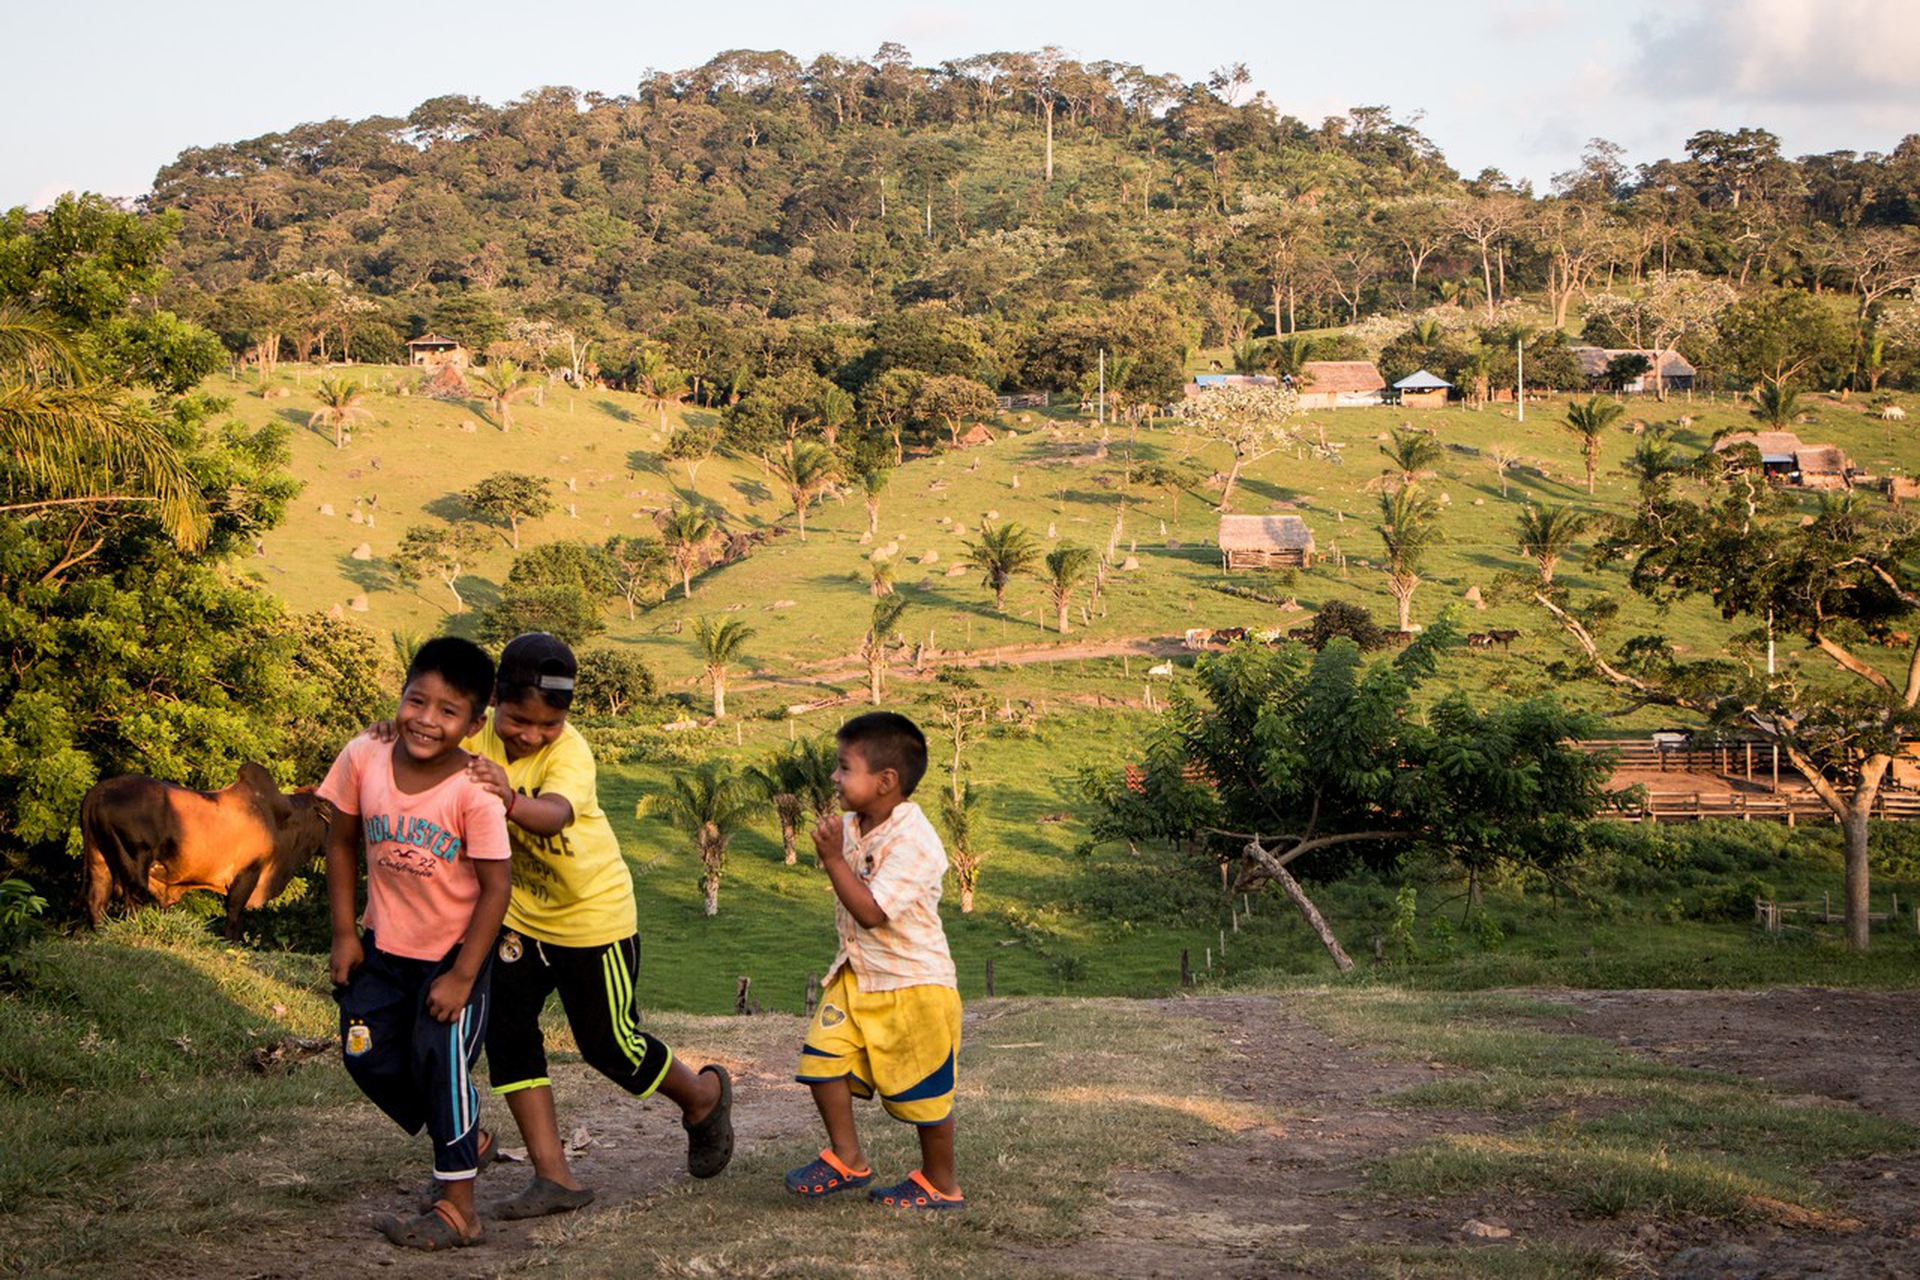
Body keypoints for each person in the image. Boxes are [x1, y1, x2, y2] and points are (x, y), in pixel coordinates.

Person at [465, 632, 733, 1219]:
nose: (530, 735)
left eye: (547, 725)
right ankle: (553, 1176)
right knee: (507, 1037)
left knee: (610, 1045)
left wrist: (508, 799)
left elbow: (553, 813)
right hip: (517, 917)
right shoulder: (475, 735)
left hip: (593, 920)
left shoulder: (571, 754)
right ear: (493, 700)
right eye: (517, 720)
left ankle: (703, 1097)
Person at [320, 636, 512, 1251]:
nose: (427, 720)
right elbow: (341, 842)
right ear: (400, 696)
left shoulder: (473, 791)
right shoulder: (364, 756)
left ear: (474, 724)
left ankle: (460, 1210)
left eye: (448, 711)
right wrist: (346, 933)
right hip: (382, 949)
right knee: (363, 1054)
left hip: (455, 959)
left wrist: (461, 976)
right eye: (416, 700)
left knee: (440, 1063)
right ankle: (469, 1136)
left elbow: (495, 889)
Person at [786, 710, 965, 1210]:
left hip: (914, 985)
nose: (833, 778)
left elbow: (869, 912)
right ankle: (848, 1158)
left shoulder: (916, 842)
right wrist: (835, 848)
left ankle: (940, 1182)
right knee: (820, 1064)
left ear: (886, 782)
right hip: (856, 976)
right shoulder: (852, 824)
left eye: (844, 768)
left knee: (923, 1100)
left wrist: (832, 860)